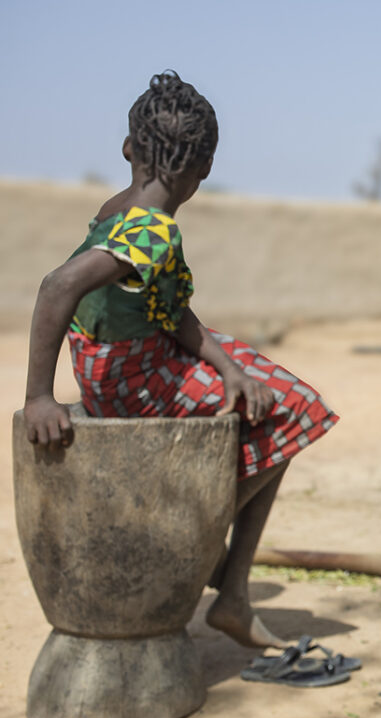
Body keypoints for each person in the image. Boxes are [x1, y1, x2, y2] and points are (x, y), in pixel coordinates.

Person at [22, 71, 339, 652]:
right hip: (131, 379)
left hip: (143, 349)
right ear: (207, 168)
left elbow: (173, 312)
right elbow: (57, 285)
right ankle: (201, 545)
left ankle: (234, 588)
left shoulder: (121, 209)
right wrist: (38, 397)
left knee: (260, 385)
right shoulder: (151, 232)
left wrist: (228, 367)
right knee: (298, 411)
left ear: (127, 149)